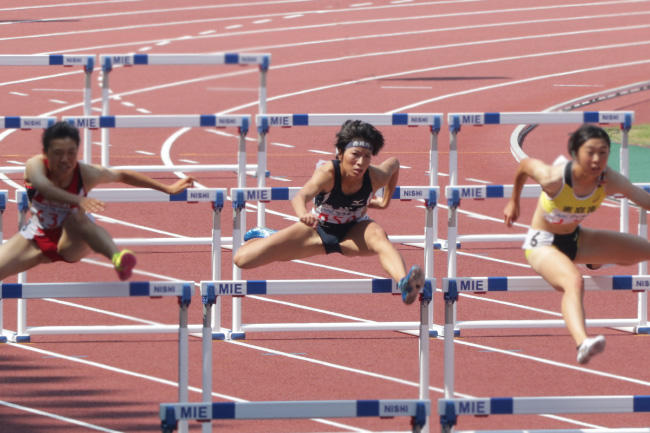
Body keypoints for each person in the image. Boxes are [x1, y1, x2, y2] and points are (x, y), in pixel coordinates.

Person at [233, 119, 425, 304]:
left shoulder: (374, 176)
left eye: (367, 156)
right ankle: (268, 237)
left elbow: (394, 164)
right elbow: (300, 196)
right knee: (242, 260)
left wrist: (384, 201)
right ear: (340, 154)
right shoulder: (328, 173)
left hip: (354, 232)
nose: (361, 162)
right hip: (317, 230)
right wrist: (302, 214)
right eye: (355, 154)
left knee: (379, 237)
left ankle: (404, 283)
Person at [503, 124, 650, 364]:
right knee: (573, 281)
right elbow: (524, 166)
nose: (596, 159)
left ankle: (595, 261)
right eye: (590, 152)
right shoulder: (555, 177)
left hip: (576, 239)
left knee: (643, 250)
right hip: (543, 243)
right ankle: (583, 343)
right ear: (575, 153)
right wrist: (514, 202)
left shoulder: (608, 180)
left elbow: (642, 198)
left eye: (603, 152)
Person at [0, 121, 194, 281]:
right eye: (58, 153)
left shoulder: (86, 173)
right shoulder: (34, 166)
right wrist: (76, 198)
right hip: (36, 234)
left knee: (77, 218)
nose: (65, 160)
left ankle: (117, 259)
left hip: (72, 240)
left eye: (71, 153)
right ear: (46, 153)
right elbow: (45, 187)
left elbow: (122, 175)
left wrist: (166, 188)